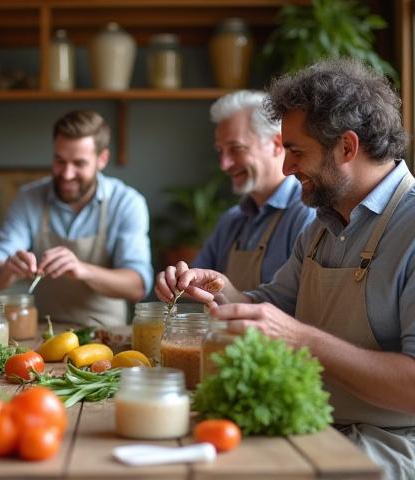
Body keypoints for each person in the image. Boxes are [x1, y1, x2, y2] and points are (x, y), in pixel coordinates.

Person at [156, 59, 415, 480]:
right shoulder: (323, 225)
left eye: (296, 151)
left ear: (347, 148)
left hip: (392, 444)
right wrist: (222, 292)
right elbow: (273, 306)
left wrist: (300, 338)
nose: (286, 167)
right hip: (315, 425)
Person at [0, 110, 152, 326]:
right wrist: (8, 270)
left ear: (102, 159)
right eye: (60, 161)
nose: (67, 174)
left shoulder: (127, 203)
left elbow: (137, 286)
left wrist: (83, 270)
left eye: (79, 163)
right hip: (43, 335)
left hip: (106, 337)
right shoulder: (28, 198)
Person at [191, 90, 315, 290]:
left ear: (276, 144)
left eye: (236, 149)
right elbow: (193, 285)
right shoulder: (232, 221)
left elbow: (304, 304)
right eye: (220, 151)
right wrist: (179, 280)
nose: (224, 164)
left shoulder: (306, 215)